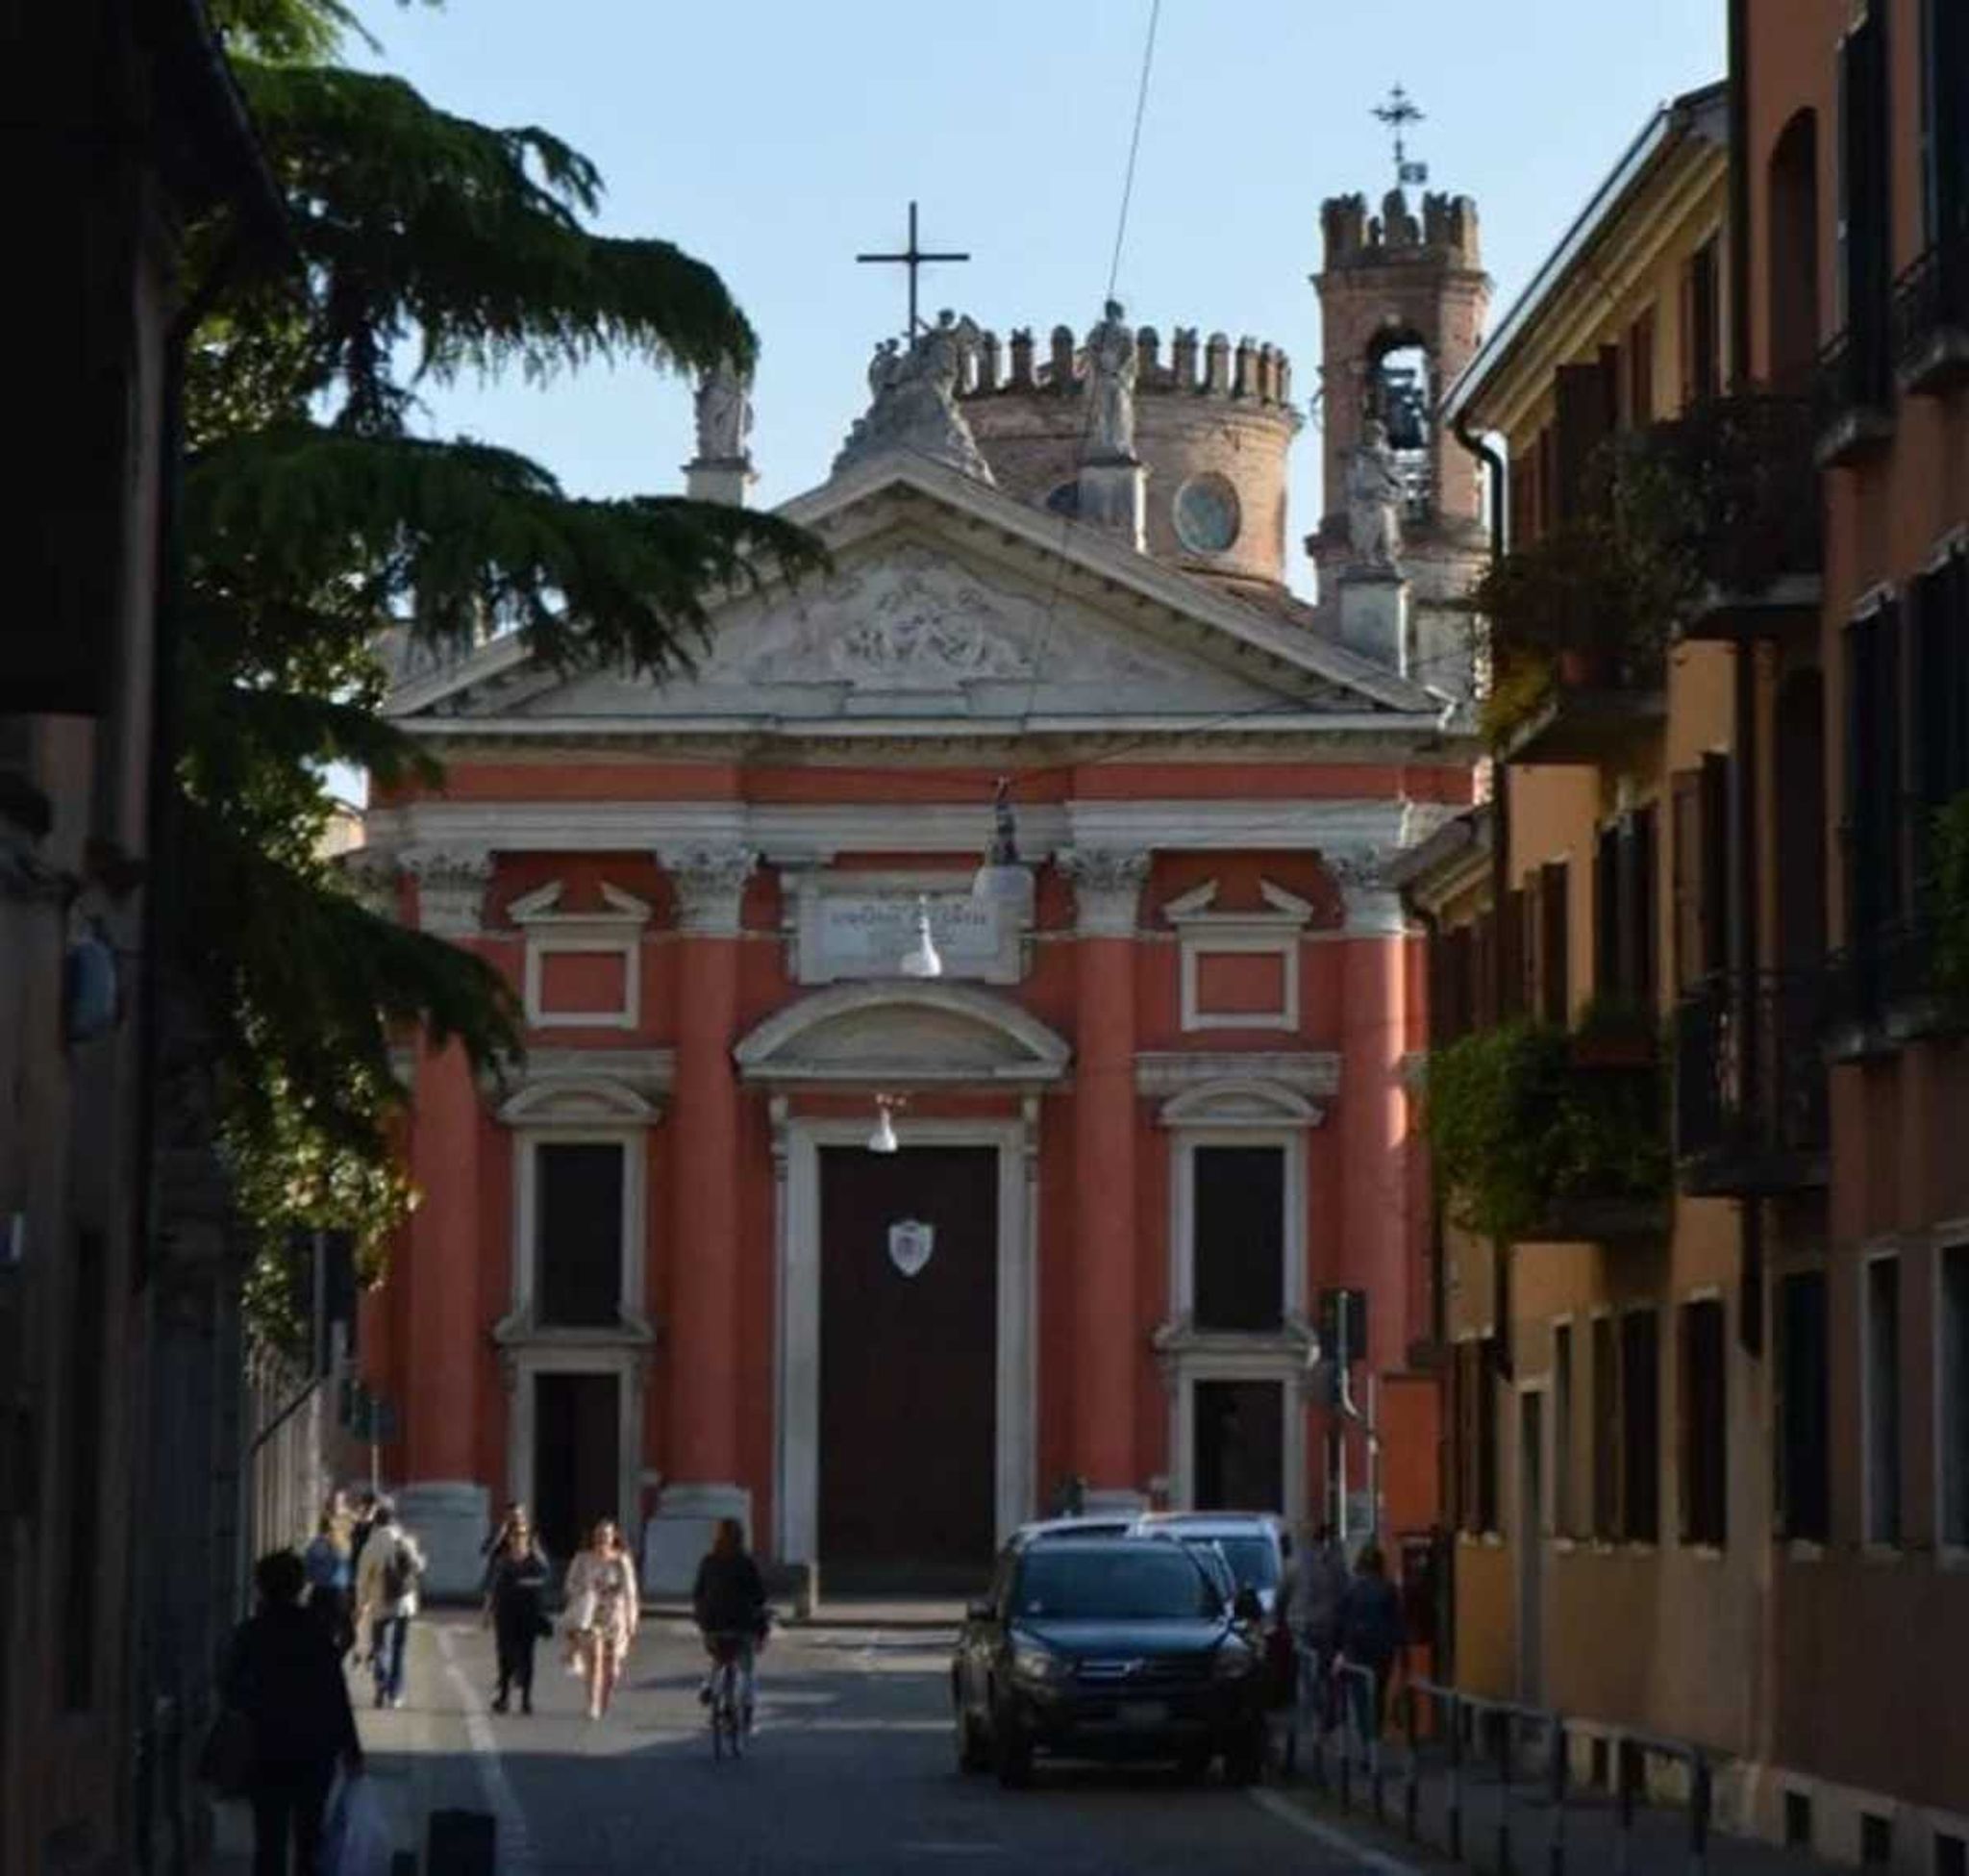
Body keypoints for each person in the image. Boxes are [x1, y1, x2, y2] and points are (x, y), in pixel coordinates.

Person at [221, 1549, 363, 1876]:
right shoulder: (316, 1632)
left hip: (265, 1745)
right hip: (313, 1749)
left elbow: (229, 1686)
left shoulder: (250, 1633)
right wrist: (351, 1748)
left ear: (261, 1587)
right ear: (300, 1586)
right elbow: (335, 1693)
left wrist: (253, 1706)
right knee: (309, 1841)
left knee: (268, 1840)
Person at [691, 1515, 768, 1735]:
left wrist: (701, 1615)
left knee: (718, 1658)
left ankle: (710, 1686)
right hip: (742, 1625)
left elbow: (698, 1592)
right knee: (747, 1670)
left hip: (713, 1624)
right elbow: (759, 1595)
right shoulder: (746, 1563)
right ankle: (748, 1717)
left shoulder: (708, 1561)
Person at [353, 1497, 425, 1710]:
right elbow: (418, 1568)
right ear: (393, 1521)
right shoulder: (405, 1540)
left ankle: (380, 1685)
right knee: (399, 1649)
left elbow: (362, 1578)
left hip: (381, 1604)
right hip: (405, 1603)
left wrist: (361, 1604)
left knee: (381, 1647)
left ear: (376, 1522)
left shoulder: (372, 1545)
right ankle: (395, 1694)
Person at [563, 1517, 638, 1722]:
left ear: (613, 1537)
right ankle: (592, 1703)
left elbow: (630, 1593)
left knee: (612, 1668)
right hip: (591, 1616)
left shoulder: (621, 1561)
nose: (602, 1539)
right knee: (594, 1660)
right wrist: (585, 1590)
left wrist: (632, 1620)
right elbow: (569, 1585)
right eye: (599, 1535)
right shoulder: (582, 1559)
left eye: (606, 1535)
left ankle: (604, 1697)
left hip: (614, 1618)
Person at [1336, 1542, 1407, 1743]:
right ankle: (1375, 1731)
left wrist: (1339, 1648)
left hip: (1357, 1650)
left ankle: (1367, 1740)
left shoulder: (1352, 1588)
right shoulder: (1388, 1588)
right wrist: (1401, 1648)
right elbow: (1397, 1620)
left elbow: (1340, 1619)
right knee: (1378, 1693)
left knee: (1360, 1697)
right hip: (1383, 1651)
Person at [484, 1510, 550, 1714]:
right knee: (505, 1655)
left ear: (528, 1537)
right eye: (515, 1534)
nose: (518, 1538)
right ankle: (503, 1698)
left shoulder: (535, 1560)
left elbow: (545, 1579)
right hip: (505, 1613)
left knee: (527, 1656)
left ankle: (526, 1700)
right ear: (509, 1537)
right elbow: (492, 1588)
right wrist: (487, 1612)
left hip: (529, 1613)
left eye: (523, 1534)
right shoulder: (502, 1561)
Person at [1297, 1523, 1352, 1731]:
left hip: (1313, 1624)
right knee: (1330, 1672)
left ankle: (1322, 1712)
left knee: (1313, 1672)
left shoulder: (1304, 1560)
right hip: (1333, 1624)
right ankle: (1332, 1710)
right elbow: (1345, 1589)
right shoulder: (1337, 1561)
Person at [300, 1513, 354, 1660]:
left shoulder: (312, 1546)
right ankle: (333, 1660)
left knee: (320, 1632)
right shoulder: (342, 1545)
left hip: (319, 1593)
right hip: (338, 1594)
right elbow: (347, 1570)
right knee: (347, 1635)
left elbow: (307, 1572)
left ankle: (321, 1661)